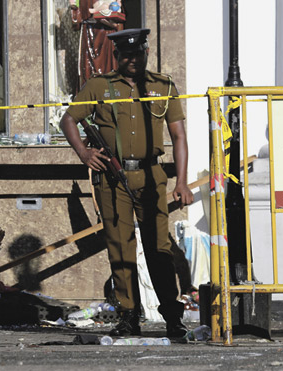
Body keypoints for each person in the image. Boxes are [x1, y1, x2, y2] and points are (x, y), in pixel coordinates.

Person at [60, 28, 193, 339]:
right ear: (117, 57)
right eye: (126, 55)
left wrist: (182, 182)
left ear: (146, 53)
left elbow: (179, 136)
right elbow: (68, 119)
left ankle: (172, 317)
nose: (133, 59)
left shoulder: (163, 85)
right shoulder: (99, 86)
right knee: (120, 248)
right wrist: (84, 152)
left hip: (151, 177)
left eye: (138, 54)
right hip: (112, 179)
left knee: (159, 248)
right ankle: (128, 316)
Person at [68, 0, 123, 92]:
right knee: (88, 70)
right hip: (89, 33)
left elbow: (119, 13)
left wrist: (113, 24)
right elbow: (77, 21)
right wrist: (74, 8)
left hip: (106, 33)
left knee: (107, 69)